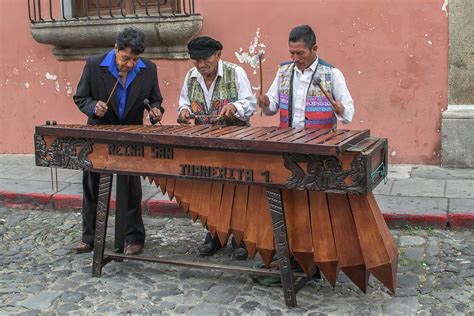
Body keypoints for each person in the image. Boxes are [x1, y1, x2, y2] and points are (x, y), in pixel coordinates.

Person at [73, 27, 164, 255]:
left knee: (131, 189)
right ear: (116, 49)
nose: (130, 64)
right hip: (99, 136)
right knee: (92, 187)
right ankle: (90, 237)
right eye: (126, 58)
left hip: (130, 137)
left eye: (135, 59)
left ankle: (133, 237)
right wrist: (94, 107)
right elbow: (81, 97)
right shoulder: (95, 65)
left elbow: (155, 100)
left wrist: (156, 111)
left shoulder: (149, 69)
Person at [177, 36, 256, 259]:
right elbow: (184, 101)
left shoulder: (235, 72)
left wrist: (235, 106)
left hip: (235, 143)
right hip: (205, 144)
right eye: (196, 61)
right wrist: (183, 112)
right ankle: (215, 234)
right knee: (210, 190)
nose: (200, 65)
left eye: (205, 59)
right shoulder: (192, 76)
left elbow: (249, 104)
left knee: (236, 190)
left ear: (218, 55)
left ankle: (241, 238)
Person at [257, 25, 354, 129]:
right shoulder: (283, 72)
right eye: (292, 53)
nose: (295, 59)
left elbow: (348, 112)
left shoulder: (332, 74)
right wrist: (266, 103)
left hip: (322, 143)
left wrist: (342, 110)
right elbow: (271, 107)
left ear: (314, 49)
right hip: (288, 141)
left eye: (300, 53)